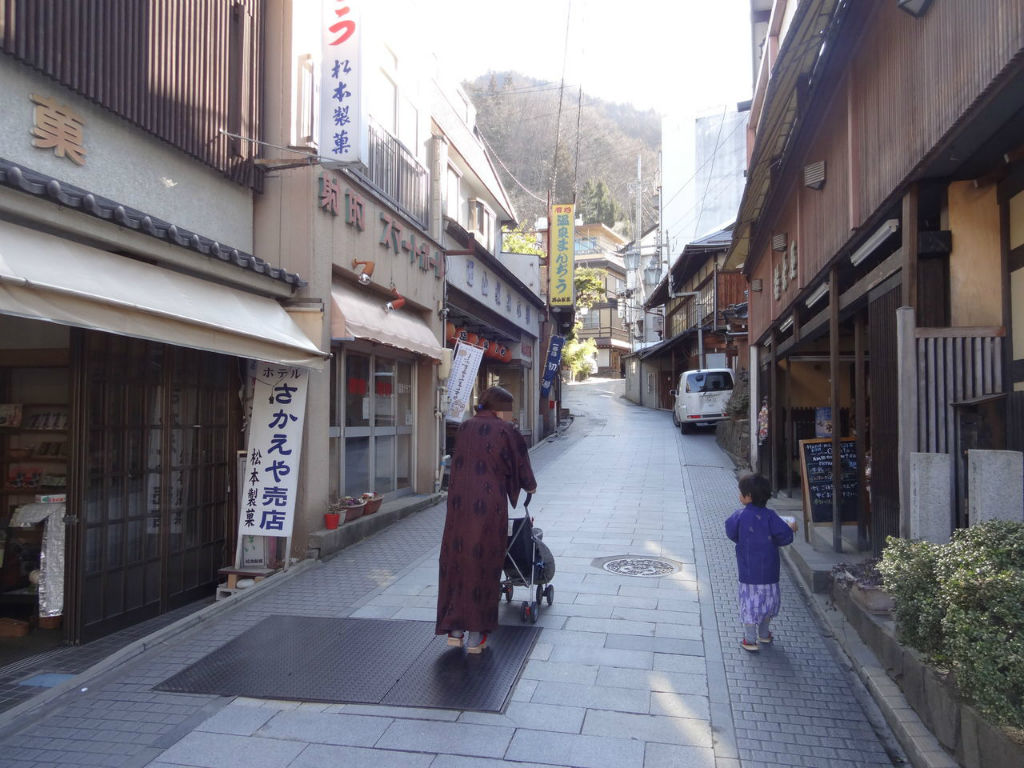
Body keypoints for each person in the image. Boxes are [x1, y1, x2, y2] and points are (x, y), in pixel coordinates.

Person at [436, 385, 537, 653]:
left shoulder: (465, 427)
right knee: (483, 563)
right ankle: (477, 634)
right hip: (488, 507)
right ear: (499, 408)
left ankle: (455, 629)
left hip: (459, 506)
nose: (509, 414)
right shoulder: (506, 430)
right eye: (508, 408)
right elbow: (520, 462)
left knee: (456, 560)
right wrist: (530, 486)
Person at [724, 473, 797, 652]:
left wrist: (742, 539)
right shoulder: (771, 516)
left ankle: (750, 640)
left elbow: (730, 531)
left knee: (750, 604)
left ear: (748, 496)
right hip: (770, 571)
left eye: (741, 493)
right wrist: (791, 529)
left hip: (748, 572)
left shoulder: (740, 516)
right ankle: (764, 634)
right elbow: (784, 537)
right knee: (768, 603)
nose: (739, 496)